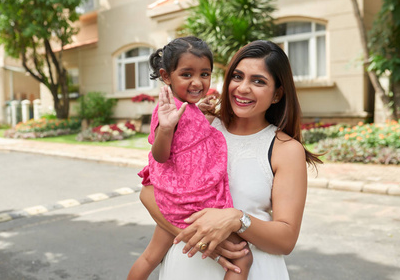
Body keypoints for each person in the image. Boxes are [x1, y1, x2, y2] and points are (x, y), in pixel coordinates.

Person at [140, 40, 323, 279]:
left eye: (258, 81)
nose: (243, 88)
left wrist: (237, 219)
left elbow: (285, 240)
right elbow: (148, 191)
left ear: (277, 94)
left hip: (253, 269)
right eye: (237, 77)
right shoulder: (202, 124)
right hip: (188, 265)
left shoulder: (285, 149)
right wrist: (208, 242)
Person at [127, 36, 253, 280]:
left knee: (151, 256)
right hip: (191, 201)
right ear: (166, 76)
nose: (197, 82)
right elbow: (160, 155)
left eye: (204, 74)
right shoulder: (167, 110)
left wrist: (201, 112)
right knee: (241, 257)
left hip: (178, 197)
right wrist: (165, 128)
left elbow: (189, 141)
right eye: (187, 74)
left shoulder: (186, 106)